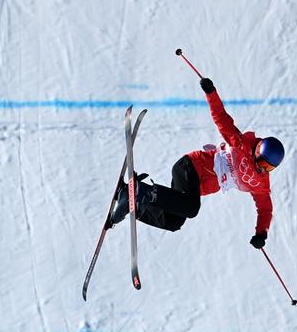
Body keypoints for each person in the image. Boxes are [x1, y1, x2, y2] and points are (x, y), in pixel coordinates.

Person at [110, 78, 285, 249]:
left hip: (193, 187)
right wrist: (211, 93)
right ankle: (141, 191)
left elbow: (265, 209)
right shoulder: (241, 144)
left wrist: (261, 234)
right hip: (190, 166)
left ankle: (133, 202)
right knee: (192, 208)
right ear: (257, 151)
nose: (262, 168)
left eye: (269, 167)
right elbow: (222, 119)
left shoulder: (260, 182)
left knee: (173, 221)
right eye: (262, 162)